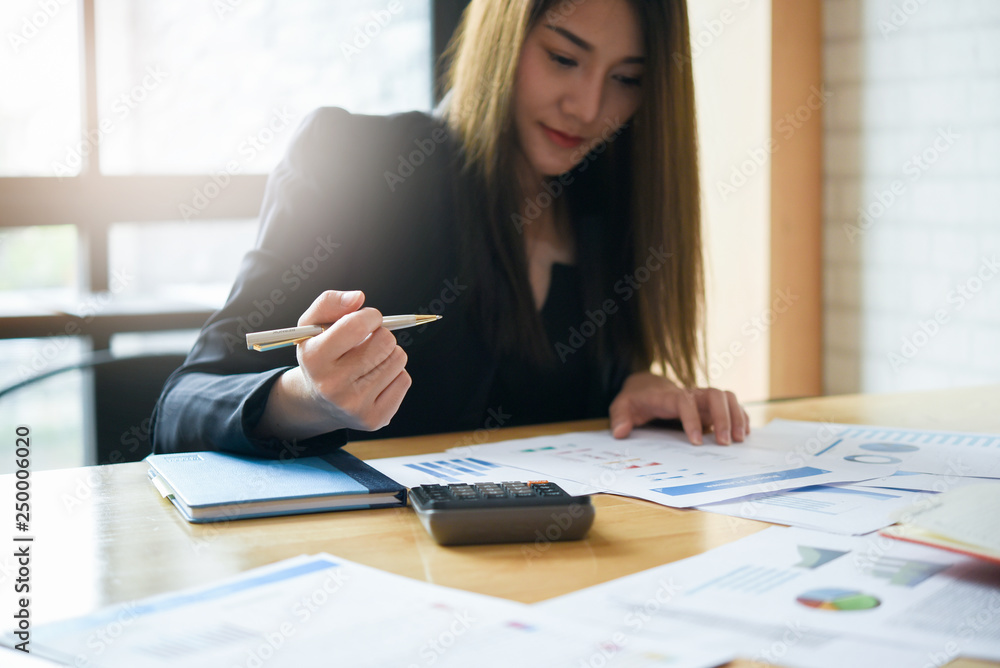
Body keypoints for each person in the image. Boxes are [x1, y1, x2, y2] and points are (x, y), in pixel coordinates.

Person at [150, 0, 751, 458]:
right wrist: (308, 399)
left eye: (627, 79)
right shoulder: (353, 161)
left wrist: (636, 383)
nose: (589, 108)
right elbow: (179, 409)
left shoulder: (610, 206)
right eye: (563, 59)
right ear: (502, 34)